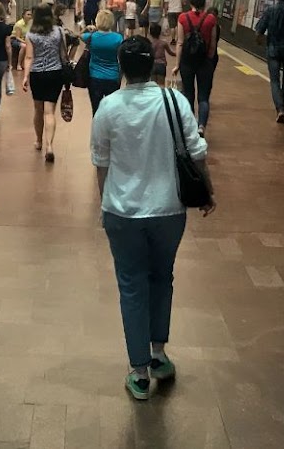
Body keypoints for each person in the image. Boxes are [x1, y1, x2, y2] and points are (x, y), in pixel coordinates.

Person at [92, 36, 215, 400]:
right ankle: (159, 353)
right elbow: (197, 151)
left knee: (132, 286)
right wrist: (209, 190)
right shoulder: (174, 100)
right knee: (163, 278)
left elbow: (101, 162)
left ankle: (140, 372)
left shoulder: (109, 107)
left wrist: (104, 204)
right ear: (153, 66)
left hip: (123, 212)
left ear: (121, 68)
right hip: (169, 211)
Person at [22, 4, 69, 164]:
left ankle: (39, 140)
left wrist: (25, 76)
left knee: (38, 109)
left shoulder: (31, 34)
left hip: (37, 74)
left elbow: (29, 57)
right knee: (49, 112)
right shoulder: (59, 32)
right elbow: (63, 54)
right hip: (55, 73)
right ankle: (49, 145)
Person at [174, 0, 219, 137]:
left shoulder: (182, 18)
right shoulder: (211, 19)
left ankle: (190, 124)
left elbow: (180, 43)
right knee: (204, 97)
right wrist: (209, 59)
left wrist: (177, 64)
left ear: (190, 1)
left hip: (187, 61)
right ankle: (201, 126)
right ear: (204, 1)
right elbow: (213, 44)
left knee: (188, 94)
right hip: (205, 61)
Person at [83, 10, 123, 114]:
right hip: (113, 77)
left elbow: (79, 35)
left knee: (96, 110)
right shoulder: (118, 38)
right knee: (111, 111)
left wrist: (87, 28)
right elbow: (121, 58)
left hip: (94, 77)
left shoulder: (91, 37)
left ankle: (97, 129)